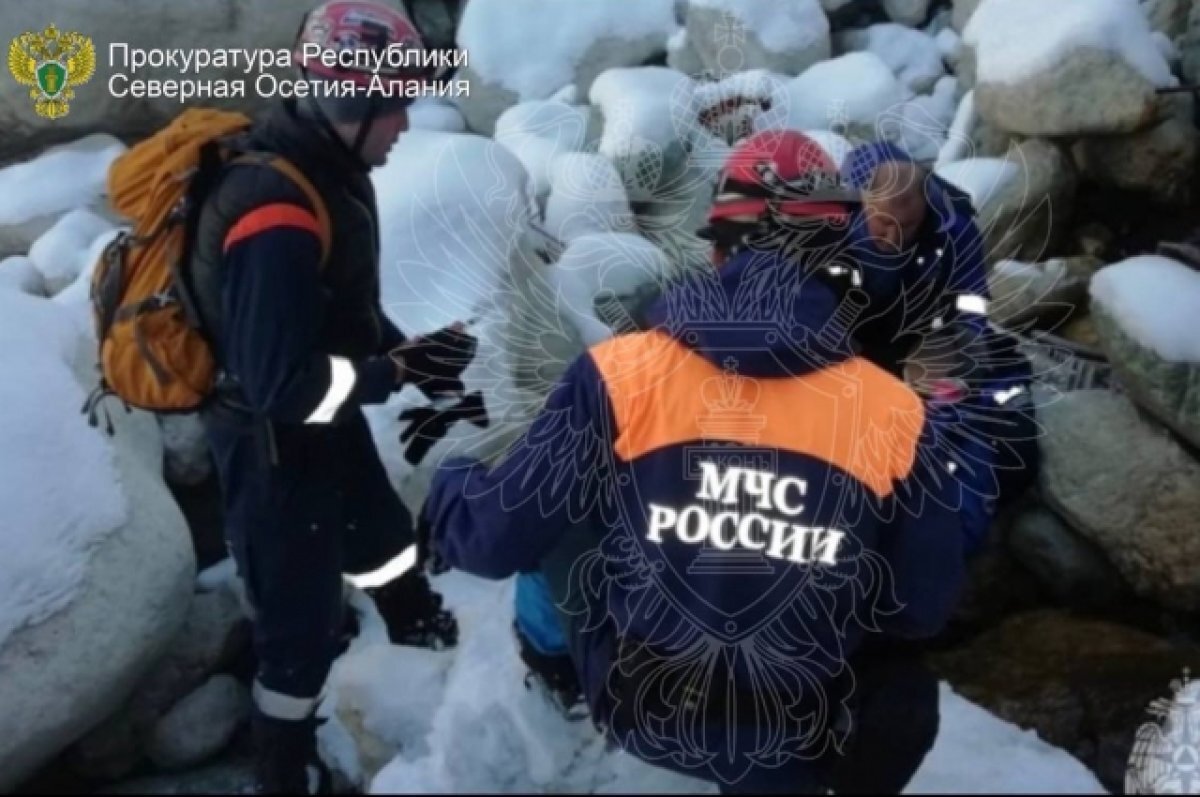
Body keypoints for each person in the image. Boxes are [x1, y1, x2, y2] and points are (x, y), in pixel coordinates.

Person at [420, 130, 971, 794]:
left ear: (717, 248)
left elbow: (491, 538)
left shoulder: (617, 374)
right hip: (798, 728)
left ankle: (555, 675)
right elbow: (919, 607)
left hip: (643, 705)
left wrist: (454, 482)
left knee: (555, 507)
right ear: (837, 253)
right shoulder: (894, 412)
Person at [189, 3, 469, 792]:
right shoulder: (274, 211)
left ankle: (416, 622)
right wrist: (393, 374)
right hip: (271, 447)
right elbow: (281, 386)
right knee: (298, 628)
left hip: (319, 423)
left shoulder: (328, 172)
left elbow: (340, 307)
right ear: (353, 103)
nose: (407, 123)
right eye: (396, 105)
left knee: (380, 532)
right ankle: (284, 765)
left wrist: (409, 352)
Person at [842, 142, 1040, 553]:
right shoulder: (833, 225)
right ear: (863, 205)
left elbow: (971, 299)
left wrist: (964, 350)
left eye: (907, 224)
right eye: (883, 224)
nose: (895, 237)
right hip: (853, 343)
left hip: (926, 337)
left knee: (1008, 436)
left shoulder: (953, 224)